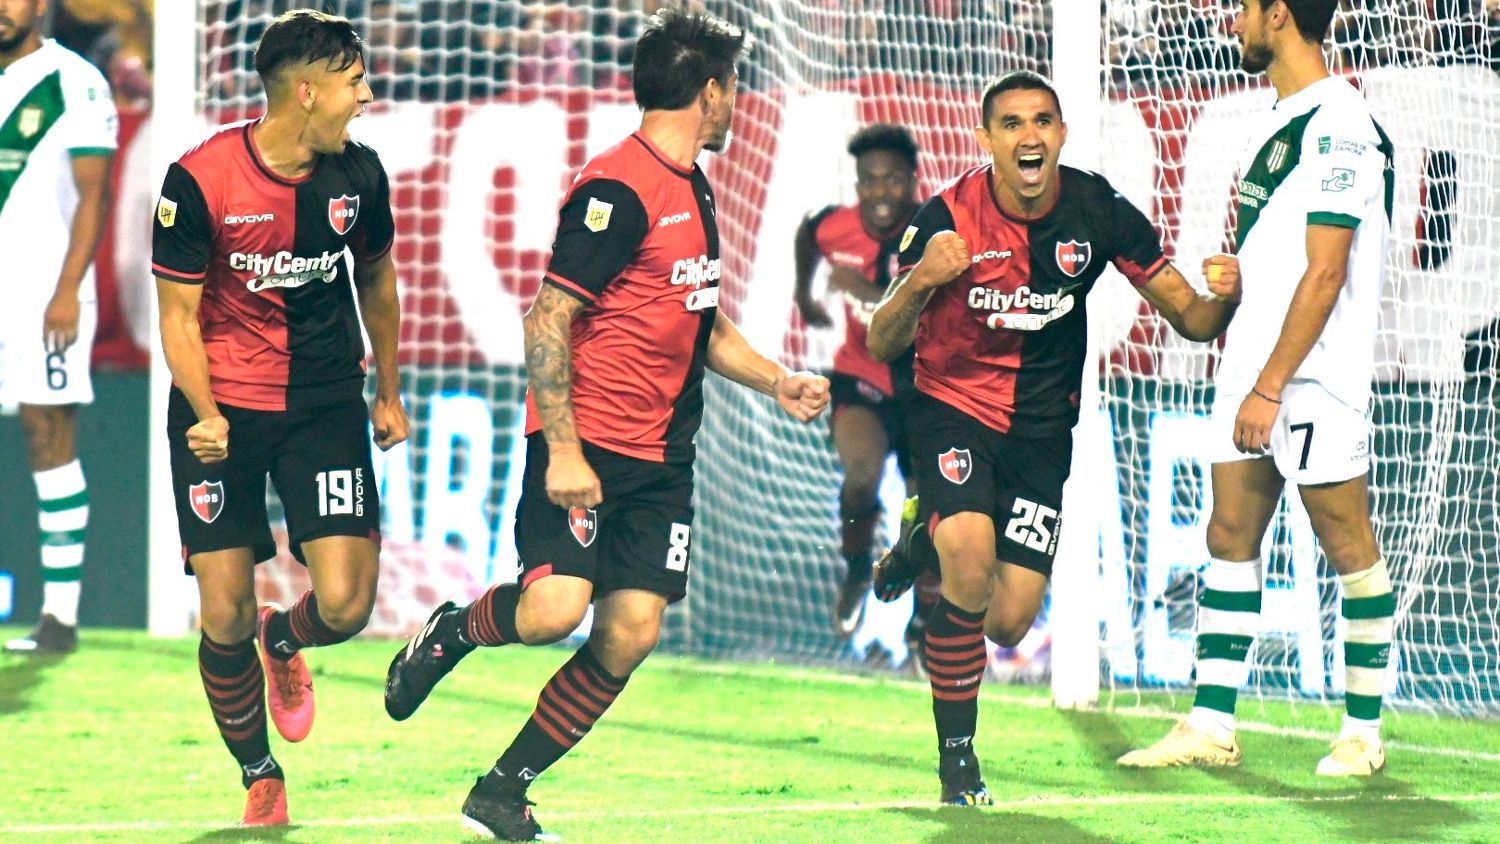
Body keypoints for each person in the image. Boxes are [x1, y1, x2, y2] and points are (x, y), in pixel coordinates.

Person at [383, 8, 829, 841]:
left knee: (629, 634)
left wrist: (777, 381)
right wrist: (563, 452)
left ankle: (501, 791)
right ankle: (452, 631)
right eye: (732, 87)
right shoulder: (616, 191)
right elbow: (547, 319)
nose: (735, 102)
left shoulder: (693, 184)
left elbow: (697, 319)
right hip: (586, 446)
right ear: (709, 91)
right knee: (553, 611)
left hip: (663, 459)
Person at [867, 70, 1243, 806]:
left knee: (1008, 622)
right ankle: (958, 765)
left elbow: (1192, 319)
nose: (1028, 136)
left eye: (1042, 121)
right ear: (986, 139)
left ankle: (920, 539)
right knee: (968, 564)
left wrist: (1226, 299)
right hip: (953, 409)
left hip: (1041, 432)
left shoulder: (1096, 210)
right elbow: (883, 339)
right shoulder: (945, 217)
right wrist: (920, 281)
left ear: (1063, 134)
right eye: (1011, 123)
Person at [1118, 0, 1395, 778]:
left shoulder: (1341, 122)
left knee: (1346, 541)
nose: (1230, 22)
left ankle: (1363, 733)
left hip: (1312, 374)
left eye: (1242, 7)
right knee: (1229, 533)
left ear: (1278, 14)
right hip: (1252, 361)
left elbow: (1328, 272)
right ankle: (1211, 724)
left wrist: (1271, 387)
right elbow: (1290, 258)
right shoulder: (1275, 118)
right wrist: (1242, 279)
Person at [151, 9, 408, 826]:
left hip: (323, 402)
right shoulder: (199, 181)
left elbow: (377, 280)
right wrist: (204, 413)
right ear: (306, 92)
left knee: (347, 606)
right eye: (353, 81)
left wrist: (389, 389)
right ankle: (260, 773)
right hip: (220, 409)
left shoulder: (359, 177)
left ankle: (286, 638)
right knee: (224, 610)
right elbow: (177, 317)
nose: (365, 96)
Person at [0, 0, 115, 656]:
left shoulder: (75, 80)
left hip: (44, 291)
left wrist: (68, 290)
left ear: (41, 5)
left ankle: (59, 619)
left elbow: (94, 194)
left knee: (48, 435)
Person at [791, 123, 930, 649]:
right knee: (861, 476)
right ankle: (854, 569)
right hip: (861, 377)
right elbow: (808, 233)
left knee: (925, 508)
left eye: (892, 180)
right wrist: (805, 296)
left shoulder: (932, 235)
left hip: (926, 389)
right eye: (869, 180)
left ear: (913, 181)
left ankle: (923, 616)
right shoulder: (837, 227)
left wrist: (863, 291)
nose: (880, 193)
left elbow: (917, 317)